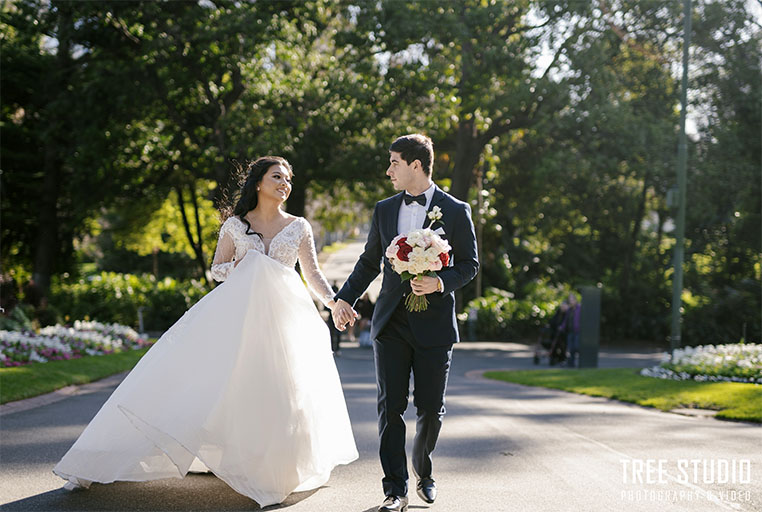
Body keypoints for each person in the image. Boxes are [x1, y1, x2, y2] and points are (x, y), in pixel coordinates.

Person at [53, 156, 358, 506]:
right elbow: (218, 270)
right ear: (258, 183)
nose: (284, 184)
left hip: (286, 322)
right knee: (201, 384)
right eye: (277, 177)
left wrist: (334, 301)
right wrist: (241, 265)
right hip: (239, 319)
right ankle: (95, 458)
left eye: (288, 179)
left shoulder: (299, 226)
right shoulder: (234, 225)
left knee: (280, 391)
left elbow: (313, 274)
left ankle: (276, 471)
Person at [332, 134, 479, 512]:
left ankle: (423, 470)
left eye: (394, 162)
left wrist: (440, 281)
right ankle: (394, 489)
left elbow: (469, 265)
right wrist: (343, 298)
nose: (388, 170)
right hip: (391, 322)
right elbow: (368, 261)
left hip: (435, 325)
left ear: (416, 164)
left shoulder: (455, 209)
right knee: (390, 407)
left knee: (430, 408)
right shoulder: (383, 209)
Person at [560, 293, 581, 367]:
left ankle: (580, 361)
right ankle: (571, 363)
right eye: (569, 300)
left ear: (575, 300)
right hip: (570, 331)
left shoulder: (580, 308)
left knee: (576, 346)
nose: (571, 302)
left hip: (578, 331)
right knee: (571, 348)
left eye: (572, 300)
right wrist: (562, 327)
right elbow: (566, 320)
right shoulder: (569, 310)